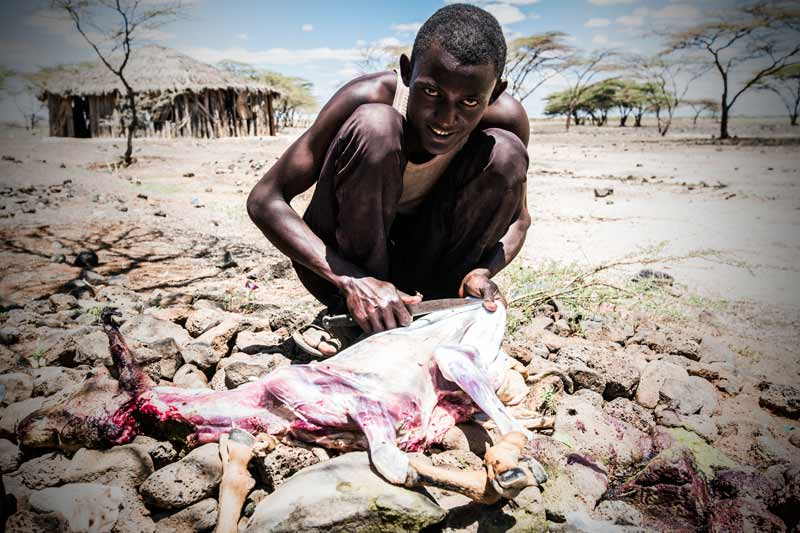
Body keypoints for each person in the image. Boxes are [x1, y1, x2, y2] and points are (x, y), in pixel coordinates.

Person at [247, 4, 531, 355]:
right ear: (408, 72)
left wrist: (482, 273)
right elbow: (265, 200)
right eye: (430, 92)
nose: (446, 117)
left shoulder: (506, 122)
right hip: (345, 275)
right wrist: (352, 280)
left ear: (496, 93)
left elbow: (519, 219)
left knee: (507, 152)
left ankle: (432, 315)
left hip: (430, 277)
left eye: (470, 101)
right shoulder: (368, 96)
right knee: (375, 126)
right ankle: (349, 317)